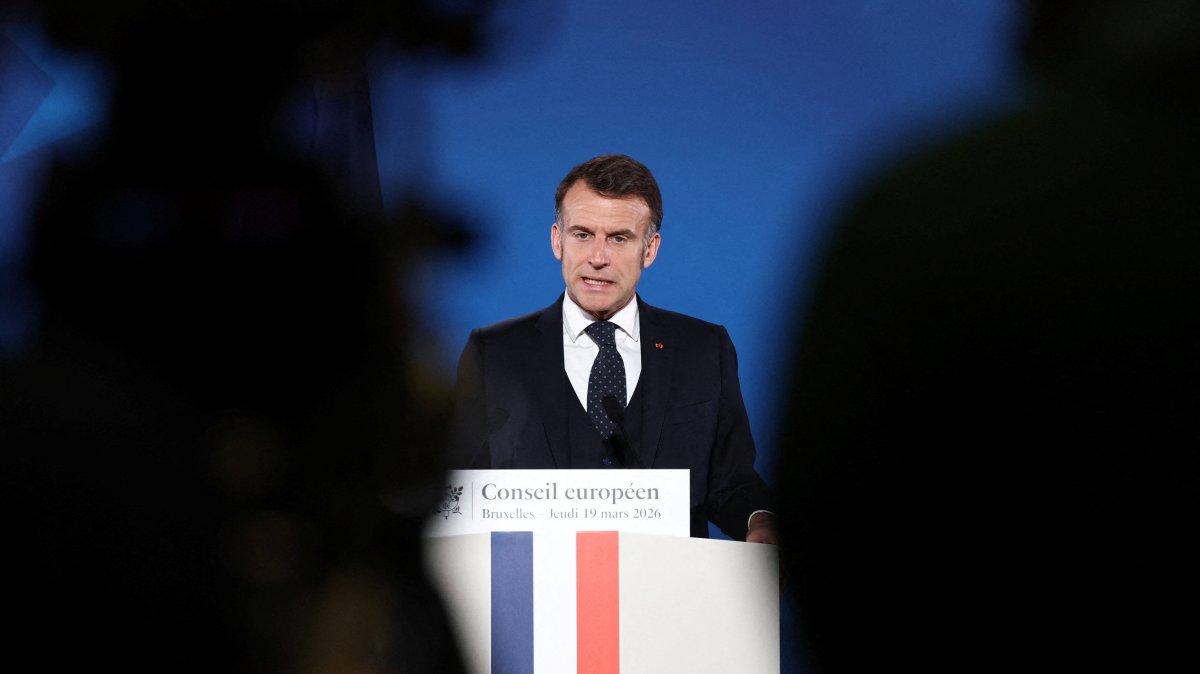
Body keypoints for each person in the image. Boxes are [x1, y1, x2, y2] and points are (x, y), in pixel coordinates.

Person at [451, 154, 775, 542]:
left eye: (619, 238)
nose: (598, 258)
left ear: (649, 249)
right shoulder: (494, 354)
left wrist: (760, 520)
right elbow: (456, 490)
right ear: (557, 240)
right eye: (582, 235)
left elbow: (731, 482)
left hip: (667, 592)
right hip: (534, 594)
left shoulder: (703, 350)